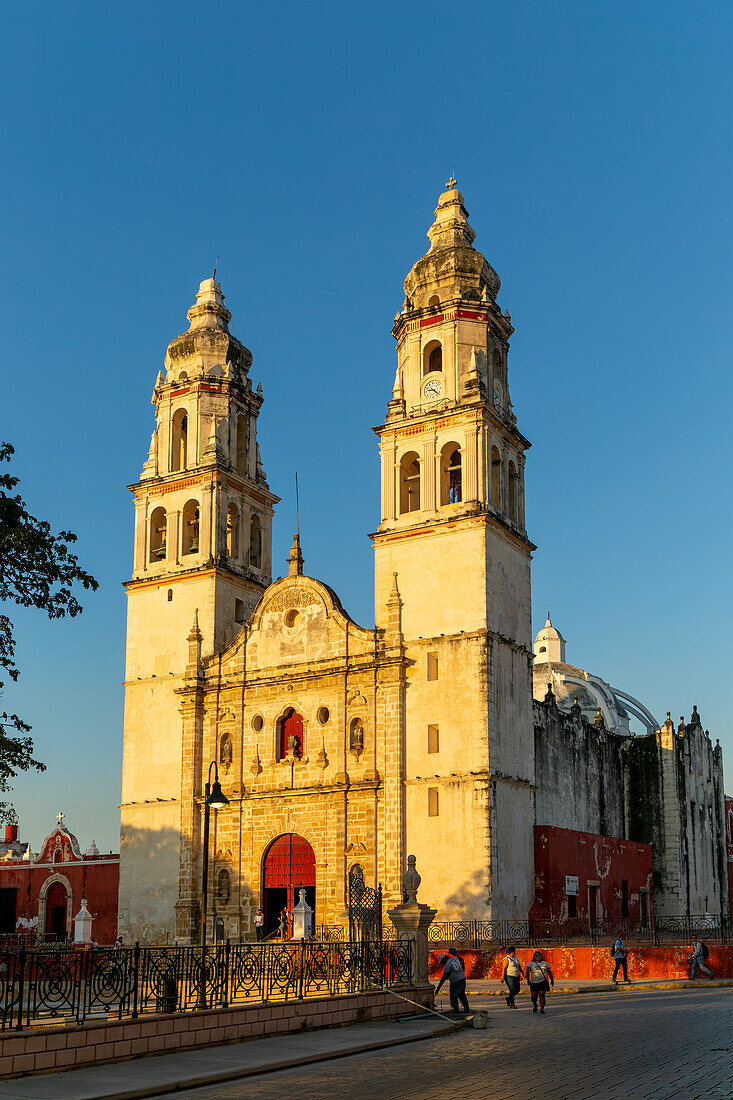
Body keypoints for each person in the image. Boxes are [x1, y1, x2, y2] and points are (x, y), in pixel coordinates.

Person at [435, 947, 470, 1014]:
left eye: (442, 961)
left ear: (444, 959)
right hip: (463, 979)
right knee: (462, 995)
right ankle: (467, 1009)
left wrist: (438, 989)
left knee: (454, 996)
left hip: (456, 981)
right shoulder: (455, 959)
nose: (442, 963)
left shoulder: (448, 965)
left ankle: (456, 1011)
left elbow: (444, 978)